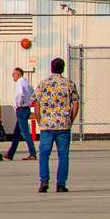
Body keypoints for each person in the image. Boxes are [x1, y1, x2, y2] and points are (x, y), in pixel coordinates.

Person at [34, 57, 80, 194]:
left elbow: (35, 102)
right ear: (63, 68)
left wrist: (39, 120)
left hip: (47, 125)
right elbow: (76, 104)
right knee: (63, 155)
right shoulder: (69, 84)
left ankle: (44, 181)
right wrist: (70, 120)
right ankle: (61, 184)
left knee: (44, 154)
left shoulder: (44, 84)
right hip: (63, 125)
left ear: (51, 68)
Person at [5, 67, 38, 160]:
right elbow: (33, 93)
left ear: (18, 74)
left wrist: (19, 105)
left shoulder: (19, 83)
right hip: (26, 108)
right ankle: (10, 154)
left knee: (25, 133)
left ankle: (33, 153)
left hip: (22, 109)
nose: (12, 76)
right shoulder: (26, 83)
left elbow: (20, 95)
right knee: (17, 133)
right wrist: (30, 101)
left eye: (13, 74)